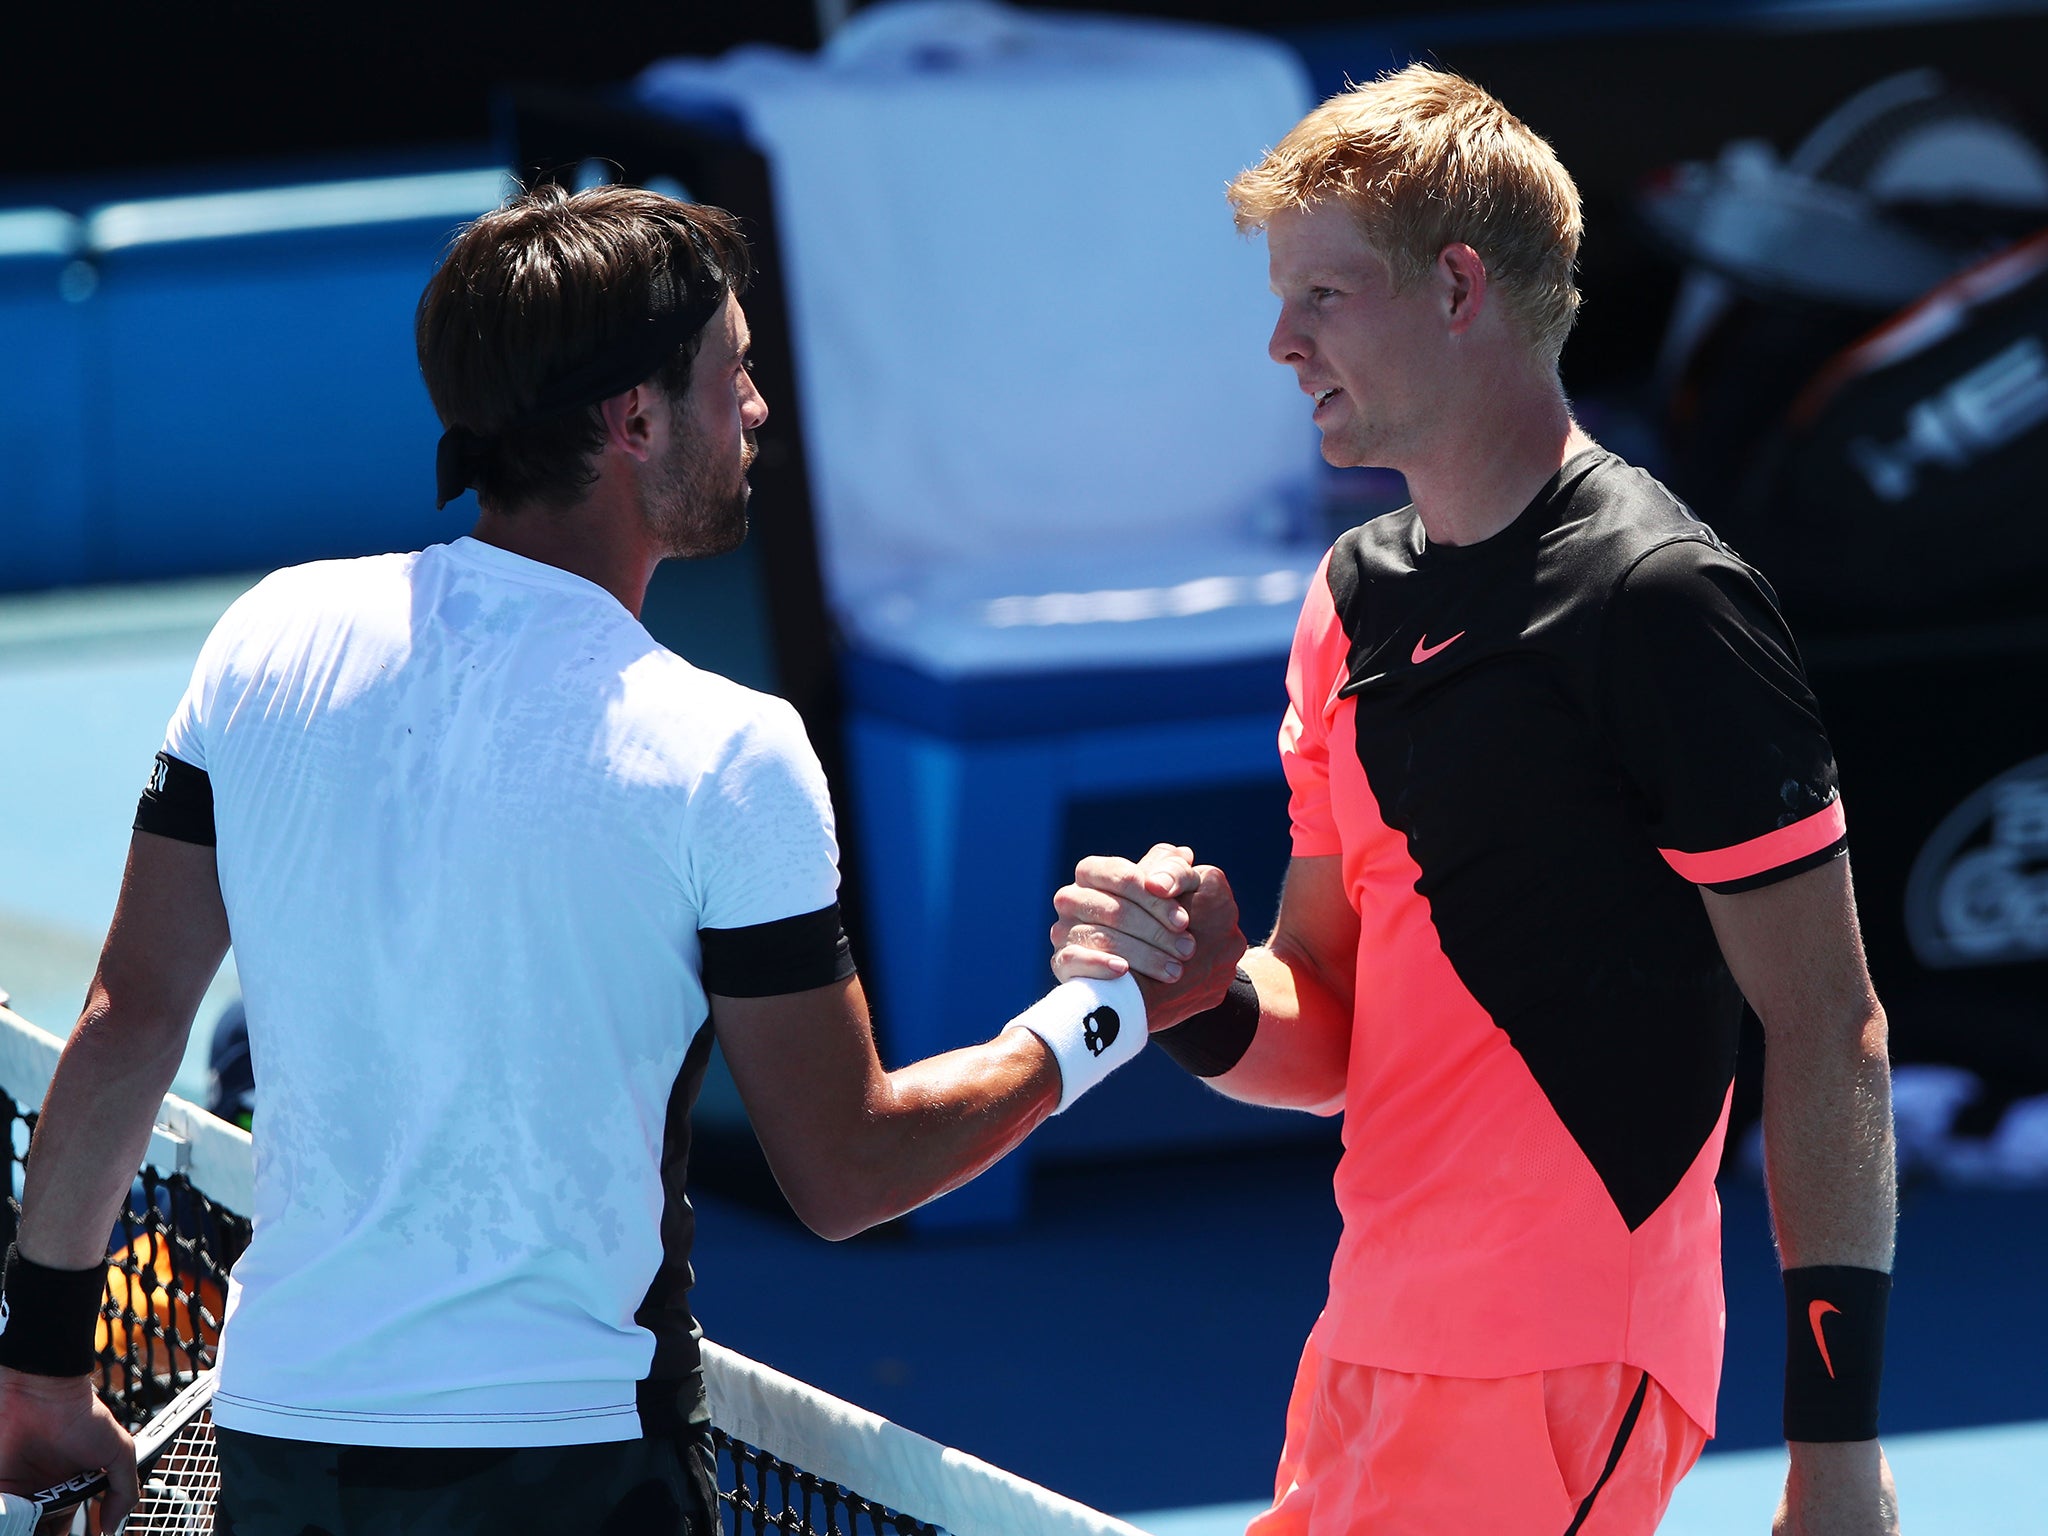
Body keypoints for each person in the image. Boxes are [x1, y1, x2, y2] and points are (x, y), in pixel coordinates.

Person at [0, 184, 1195, 1536]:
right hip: (571, 1483)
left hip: (286, 1467)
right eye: (734, 374)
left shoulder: (265, 643)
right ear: (635, 418)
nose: (756, 412)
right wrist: (1111, 1013)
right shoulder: (725, 753)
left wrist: (42, 1362)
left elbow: (129, 1020)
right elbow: (848, 1168)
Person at [1052, 67, 1900, 1535]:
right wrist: (1205, 997)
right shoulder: (1350, 601)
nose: (1279, 341)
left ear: (1456, 287)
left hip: (1560, 1360)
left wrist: (1835, 1459)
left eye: (1323, 293)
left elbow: (1831, 1028)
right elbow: (1328, 1012)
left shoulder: (1661, 602)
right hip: (1369, 1347)